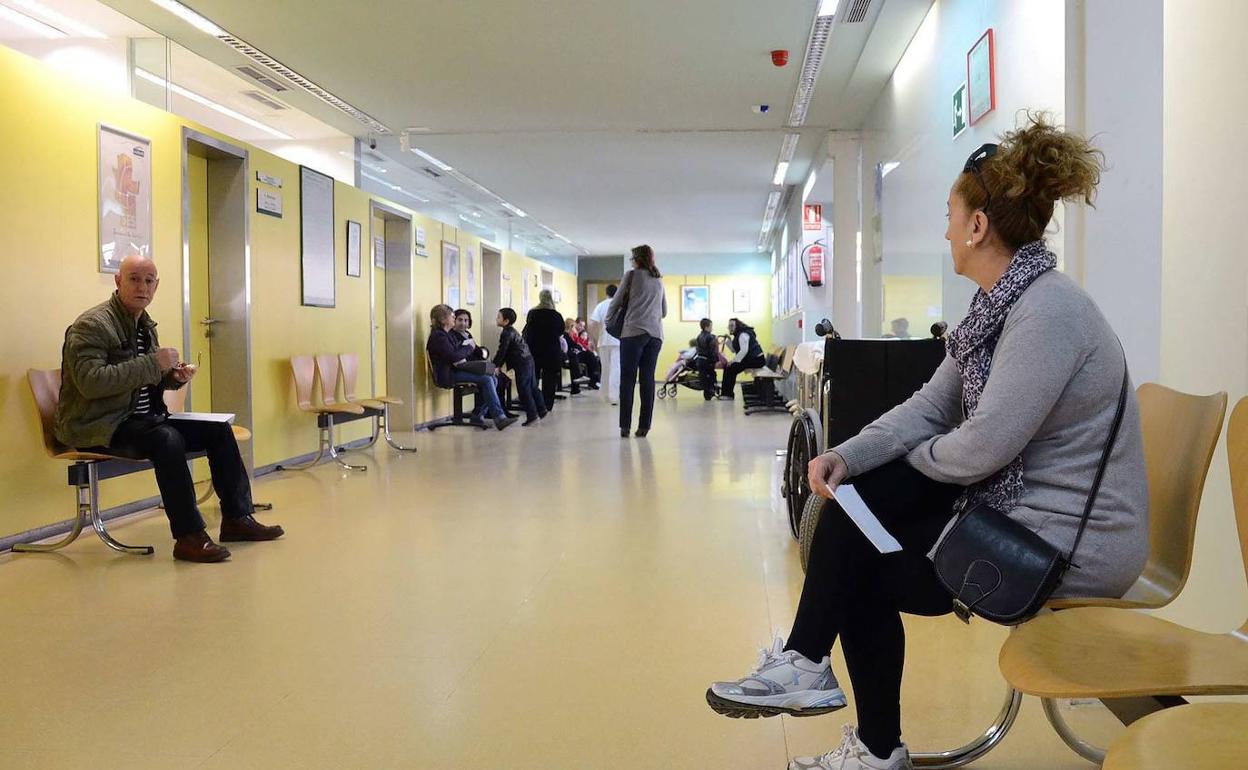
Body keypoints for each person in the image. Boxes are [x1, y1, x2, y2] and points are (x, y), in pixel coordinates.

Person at [706, 116, 1148, 770]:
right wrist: (848, 455)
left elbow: (984, 447)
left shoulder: (1048, 311)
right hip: (1017, 518)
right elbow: (930, 407)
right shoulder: (995, 310)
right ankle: (861, 729)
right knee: (856, 534)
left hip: (1069, 546)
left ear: (977, 227)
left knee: (860, 527)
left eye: (950, 216)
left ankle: (810, 667)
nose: (944, 231)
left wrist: (888, 475)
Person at [54, 254, 283, 563]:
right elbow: (91, 383)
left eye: (149, 281)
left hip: (140, 421)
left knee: (218, 430)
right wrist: (153, 363)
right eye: (134, 279)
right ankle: (189, 537)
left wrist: (172, 378)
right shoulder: (92, 325)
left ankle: (237, 518)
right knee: (166, 439)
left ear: (156, 286)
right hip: (98, 425)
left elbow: (144, 379)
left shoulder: (144, 325)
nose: (142, 287)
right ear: (118, 281)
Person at [427, 304, 517, 430]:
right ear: (443, 319)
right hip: (447, 374)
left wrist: (467, 350)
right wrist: (469, 347)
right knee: (487, 379)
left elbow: (458, 354)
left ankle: (478, 415)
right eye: (452, 317)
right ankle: (499, 418)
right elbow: (454, 356)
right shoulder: (439, 336)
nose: (454, 319)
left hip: (454, 370)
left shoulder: (444, 335)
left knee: (493, 378)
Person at [609, 244, 667, 438]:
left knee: (627, 380)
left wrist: (609, 322)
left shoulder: (631, 276)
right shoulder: (659, 280)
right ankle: (644, 427)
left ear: (637, 259)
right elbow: (664, 312)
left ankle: (625, 426)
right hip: (655, 336)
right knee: (647, 380)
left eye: (632, 258)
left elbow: (616, 302)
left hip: (633, 333)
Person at [493, 308, 546, 425]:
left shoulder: (506, 333)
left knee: (524, 389)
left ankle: (532, 415)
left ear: (506, 321)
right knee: (532, 386)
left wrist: (496, 365)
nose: (496, 319)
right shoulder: (512, 331)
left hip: (521, 362)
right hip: (528, 359)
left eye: (498, 317)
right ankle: (542, 409)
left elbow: (502, 351)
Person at [523, 290, 567, 409]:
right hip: (552, 350)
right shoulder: (556, 315)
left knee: (534, 377)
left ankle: (534, 402)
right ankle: (547, 404)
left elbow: (529, 329)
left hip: (535, 349)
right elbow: (561, 330)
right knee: (550, 378)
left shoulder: (532, 313)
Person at [588, 284, 622, 405]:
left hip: (603, 342)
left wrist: (592, 339)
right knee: (616, 369)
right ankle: (614, 396)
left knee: (605, 368)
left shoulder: (600, 306)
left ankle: (605, 395)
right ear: (617, 293)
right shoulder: (620, 305)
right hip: (618, 341)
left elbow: (592, 323)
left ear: (606, 293)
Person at [719, 317, 765, 400]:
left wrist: (733, 361)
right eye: (729, 326)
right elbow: (734, 350)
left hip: (757, 360)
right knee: (729, 367)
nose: (730, 328)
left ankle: (728, 395)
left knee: (731, 368)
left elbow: (744, 351)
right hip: (752, 359)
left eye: (732, 326)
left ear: (737, 326)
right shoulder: (738, 334)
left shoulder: (743, 334)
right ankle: (726, 394)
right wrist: (728, 341)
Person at [695, 318, 720, 401]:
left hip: (700, 360)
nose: (712, 328)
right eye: (711, 326)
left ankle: (707, 394)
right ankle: (711, 392)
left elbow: (697, 349)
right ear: (706, 327)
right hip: (708, 360)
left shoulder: (699, 336)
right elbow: (714, 351)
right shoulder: (711, 337)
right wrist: (716, 360)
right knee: (711, 375)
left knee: (704, 377)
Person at [573, 318, 601, 389]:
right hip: (575, 354)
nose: (582, 328)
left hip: (580, 353)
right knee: (590, 355)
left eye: (583, 326)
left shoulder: (582, 335)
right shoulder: (573, 333)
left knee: (595, 358)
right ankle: (594, 381)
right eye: (580, 325)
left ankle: (595, 380)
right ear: (576, 324)